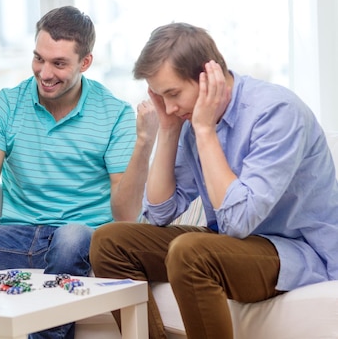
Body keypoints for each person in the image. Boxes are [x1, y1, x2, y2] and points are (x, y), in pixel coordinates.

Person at [0, 6, 158, 339]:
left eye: (59, 63)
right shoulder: (5, 105)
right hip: (17, 239)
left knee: (71, 236)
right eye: (38, 59)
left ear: (85, 63)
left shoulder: (113, 113)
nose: (44, 73)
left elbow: (126, 215)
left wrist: (144, 142)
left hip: (82, 241)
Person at [90, 22, 338, 339]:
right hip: (231, 247)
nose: (168, 106)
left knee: (189, 252)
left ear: (208, 77)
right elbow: (160, 213)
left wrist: (205, 130)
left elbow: (237, 222)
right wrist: (167, 130)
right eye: (160, 96)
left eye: (173, 94)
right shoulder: (185, 118)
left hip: (296, 252)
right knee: (110, 242)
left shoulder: (277, 112)